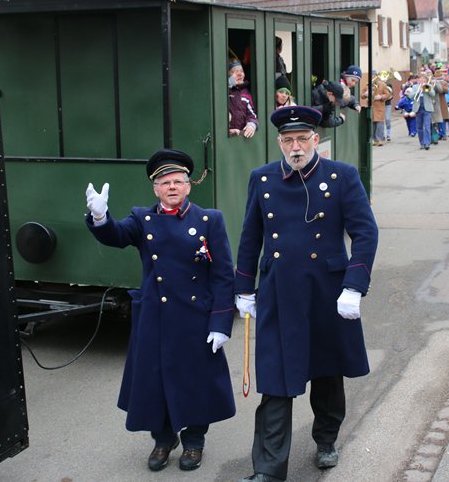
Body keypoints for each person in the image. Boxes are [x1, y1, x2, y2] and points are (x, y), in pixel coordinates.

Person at [234, 106, 379, 482]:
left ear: (316, 140)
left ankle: (326, 438)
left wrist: (353, 285)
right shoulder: (262, 179)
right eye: (288, 140)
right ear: (279, 142)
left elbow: (365, 232)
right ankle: (267, 469)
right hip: (279, 293)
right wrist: (243, 288)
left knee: (327, 373)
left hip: (327, 292)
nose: (295, 147)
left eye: (302, 139)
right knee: (276, 381)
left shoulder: (342, 176)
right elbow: (250, 239)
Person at [84, 149, 236, 473]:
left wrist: (221, 322)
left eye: (178, 181)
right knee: (154, 381)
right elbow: (117, 235)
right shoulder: (142, 219)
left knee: (196, 380)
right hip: (155, 316)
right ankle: (164, 439)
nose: (172, 187)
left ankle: (194, 442)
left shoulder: (210, 220)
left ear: (188, 186)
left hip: (195, 317)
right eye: (165, 182)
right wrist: (100, 217)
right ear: (156, 189)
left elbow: (223, 275)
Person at [228, 60, 259, 138]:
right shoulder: (225, 92)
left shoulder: (246, 94)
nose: (239, 74)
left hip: (241, 137)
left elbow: (251, 115)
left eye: (241, 71)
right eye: (234, 72)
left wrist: (251, 125)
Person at [360, 71, 391, 146]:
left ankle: (379, 139)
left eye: (374, 75)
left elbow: (388, 94)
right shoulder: (367, 85)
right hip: (372, 106)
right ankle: (374, 139)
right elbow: (362, 95)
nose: (372, 77)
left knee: (379, 124)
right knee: (373, 124)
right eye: (371, 75)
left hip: (379, 106)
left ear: (376, 76)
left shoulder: (382, 84)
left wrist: (381, 97)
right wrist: (365, 94)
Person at [412, 74, 439, 150]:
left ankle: (427, 143)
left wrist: (426, 88)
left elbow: (433, 94)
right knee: (419, 127)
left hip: (427, 108)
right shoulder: (415, 87)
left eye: (424, 79)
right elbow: (411, 96)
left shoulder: (428, 86)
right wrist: (419, 90)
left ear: (426, 80)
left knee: (427, 126)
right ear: (418, 80)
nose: (422, 80)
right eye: (421, 79)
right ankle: (422, 143)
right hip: (418, 108)